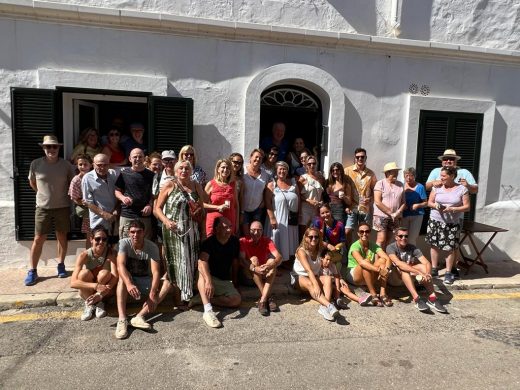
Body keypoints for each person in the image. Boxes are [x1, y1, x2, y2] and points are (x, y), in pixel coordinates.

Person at [24, 135, 74, 286]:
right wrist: (44, 195)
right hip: (42, 208)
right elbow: (32, 183)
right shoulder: (36, 164)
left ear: (59, 148)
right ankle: (32, 270)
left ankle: (61, 265)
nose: (51, 149)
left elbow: (72, 184)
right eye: (48, 147)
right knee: (38, 239)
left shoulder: (66, 165)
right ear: (43, 148)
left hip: (62, 207)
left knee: (61, 237)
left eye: (54, 146)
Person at [154, 159, 205, 306]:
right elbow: (157, 208)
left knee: (190, 263)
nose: (184, 171)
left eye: (187, 168)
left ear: (191, 171)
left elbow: (202, 207)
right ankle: (178, 298)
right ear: (176, 171)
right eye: (181, 168)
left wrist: (202, 229)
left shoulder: (196, 186)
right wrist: (166, 221)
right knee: (176, 263)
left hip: (192, 230)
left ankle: (186, 295)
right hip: (174, 231)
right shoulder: (170, 185)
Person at [114, 220, 171, 339]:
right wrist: (129, 284)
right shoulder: (123, 243)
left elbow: (156, 272)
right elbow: (120, 265)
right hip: (131, 281)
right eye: (132, 232)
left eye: (138, 232)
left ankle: (139, 316)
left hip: (146, 281)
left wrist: (153, 292)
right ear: (128, 233)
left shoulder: (152, 247)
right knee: (122, 278)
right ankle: (122, 319)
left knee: (167, 283)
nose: (135, 235)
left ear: (144, 232)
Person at [193, 217, 242, 328]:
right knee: (201, 268)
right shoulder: (209, 242)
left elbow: (235, 262)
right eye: (225, 227)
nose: (229, 230)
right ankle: (208, 310)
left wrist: (235, 282)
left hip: (223, 280)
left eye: (230, 227)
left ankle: (203, 299)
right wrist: (209, 281)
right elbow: (202, 261)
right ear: (217, 229)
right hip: (208, 278)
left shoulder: (234, 241)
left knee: (236, 300)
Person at [426, 166, 470, 284]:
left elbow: (467, 207)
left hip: (452, 223)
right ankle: (434, 269)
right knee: (434, 245)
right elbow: (429, 202)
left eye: (444, 176)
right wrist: (436, 206)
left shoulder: (462, 189)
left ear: (452, 176)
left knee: (450, 248)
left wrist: (453, 209)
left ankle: (448, 272)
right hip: (435, 220)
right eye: (441, 176)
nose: (441, 178)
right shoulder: (437, 187)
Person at [386, 227, 447, 313]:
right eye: (401, 236)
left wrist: (427, 274)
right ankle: (417, 299)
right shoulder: (391, 247)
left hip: (409, 276)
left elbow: (427, 263)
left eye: (406, 236)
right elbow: (399, 264)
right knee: (403, 269)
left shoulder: (412, 247)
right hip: (395, 278)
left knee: (423, 267)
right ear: (396, 237)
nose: (404, 238)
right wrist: (418, 272)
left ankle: (433, 298)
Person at [290, 227, 339, 321]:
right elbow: (308, 270)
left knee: (328, 278)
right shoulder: (301, 251)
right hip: (299, 277)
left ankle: (324, 307)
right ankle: (329, 305)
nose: (313, 239)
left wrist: (329, 245)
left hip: (313, 277)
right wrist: (316, 285)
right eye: (310, 237)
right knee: (310, 284)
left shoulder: (319, 248)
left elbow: (330, 249)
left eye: (316, 237)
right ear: (305, 238)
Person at [70, 226, 119, 321]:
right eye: (97, 239)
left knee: (104, 273)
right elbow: (73, 283)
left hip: (104, 290)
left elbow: (115, 275)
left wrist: (102, 292)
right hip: (91, 289)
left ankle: (99, 302)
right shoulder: (84, 255)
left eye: (104, 239)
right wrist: (95, 286)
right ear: (91, 239)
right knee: (83, 274)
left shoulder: (111, 253)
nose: (101, 242)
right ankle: (90, 304)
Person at [345, 222, 393, 307]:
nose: (364, 234)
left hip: (368, 273)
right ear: (358, 233)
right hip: (354, 275)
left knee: (382, 261)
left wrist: (387, 270)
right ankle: (373, 293)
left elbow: (387, 258)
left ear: (370, 233)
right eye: (361, 232)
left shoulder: (373, 245)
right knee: (365, 262)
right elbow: (361, 262)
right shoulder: (355, 246)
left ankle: (382, 293)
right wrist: (379, 270)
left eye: (367, 231)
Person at [239, 221, 282, 315]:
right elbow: (241, 260)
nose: (256, 233)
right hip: (249, 276)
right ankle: (268, 297)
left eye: (259, 230)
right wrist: (255, 268)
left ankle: (263, 300)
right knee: (254, 259)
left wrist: (270, 265)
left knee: (272, 262)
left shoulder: (267, 240)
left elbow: (279, 257)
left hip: (262, 273)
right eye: (253, 230)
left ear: (262, 231)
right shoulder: (243, 241)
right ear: (249, 230)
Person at [264, 161, 300, 265]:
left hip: (291, 218)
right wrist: (272, 218)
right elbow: (267, 202)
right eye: (280, 169)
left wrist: (298, 215)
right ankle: (275, 264)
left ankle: (286, 262)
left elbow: (299, 200)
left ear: (287, 171)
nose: (282, 171)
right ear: (276, 170)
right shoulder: (272, 184)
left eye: (284, 169)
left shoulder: (293, 184)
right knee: (277, 239)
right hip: (277, 217)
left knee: (289, 240)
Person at [115, 148, 155, 239]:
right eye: (135, 157)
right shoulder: (123, 173)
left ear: (144, 158)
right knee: (126, 244)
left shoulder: (151, 175)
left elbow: (155, 195)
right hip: (127, 215)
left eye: (140, 156)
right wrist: (123, 198)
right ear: (130, 159)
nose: (138, 159)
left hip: (144, 216)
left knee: (144, 245)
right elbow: (117, 191)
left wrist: (150, 205)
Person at [81, 153, 120, 244]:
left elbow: (119, 193)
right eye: (99, 165)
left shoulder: (114, 174)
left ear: (109, 164)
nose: (102, 168)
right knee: (99, 247)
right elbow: (88, 202)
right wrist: (104, 214)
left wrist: (117, 209)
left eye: (105, 165)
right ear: (93, 164)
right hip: (99, 220)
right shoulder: (87, 178)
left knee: (113, 247)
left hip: (115, 219)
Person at [344, 148, 377, 237]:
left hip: (365, 207)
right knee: (347, 231)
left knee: (364, 232)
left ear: (366, 158)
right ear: (354, 158)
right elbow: (341, 188)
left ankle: (361, 250)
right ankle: (349, 250)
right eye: (357, 157)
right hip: (351, 206)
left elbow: (375, 190)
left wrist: (370, 199)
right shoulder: (347, 171)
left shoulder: (371, 173)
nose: (360, 159)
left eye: (362, 157)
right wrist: (345, 205)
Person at [373, 162, 406, 250]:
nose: (396, 174)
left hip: (395, 216)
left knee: (388, 239)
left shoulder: (400, 184)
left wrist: (398, 213)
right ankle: (377, 260)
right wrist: (391, 213)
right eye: (393, 172)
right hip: (381, 215)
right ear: (387, 173)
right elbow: (377, 202)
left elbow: (403, 202)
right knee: (381, 239)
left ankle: (384, 259)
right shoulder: (380, 184)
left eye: (396, 172)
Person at [204, 159, 238, 236]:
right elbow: (202, 204)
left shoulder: (233, 184)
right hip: (214, 222)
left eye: (228, 168)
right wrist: (218, 207)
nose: (225, 170)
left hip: (229, 221)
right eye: (223, 167)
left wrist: (237, 223)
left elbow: (236, 205)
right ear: (218, 169)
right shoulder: (211, 184)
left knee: (227, 245)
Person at [241, 148, 270, 236]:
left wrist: (264, 202)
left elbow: (267, 191)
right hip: (243, 208)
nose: (258, 159)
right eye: (256, 157)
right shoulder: (243, 171)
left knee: (255, 234)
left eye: (260, 158)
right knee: (245, 234)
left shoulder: (265, 175)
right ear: (251, 157)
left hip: (257, 209)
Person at [69, 154, 93, 248]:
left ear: (91, 165)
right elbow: (74, 198)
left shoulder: (96, 177)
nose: (83, 167)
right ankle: (90, 259)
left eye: (85, 164)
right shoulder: (76, 180)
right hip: (87, 212)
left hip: (101, 209)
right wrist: (84, 202)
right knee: (90, 236)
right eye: (80, 164)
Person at [298, 155, 324, 239]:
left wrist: (321, 202)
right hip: (305, 208)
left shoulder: (321, 178)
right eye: (309, 164)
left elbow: (322, 194)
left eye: (314, 163)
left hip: (317, 209)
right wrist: (309, 201)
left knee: (315, 233)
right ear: (306, 165)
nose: (312, 165)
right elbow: (298, 195)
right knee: (304, 234)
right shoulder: (303, 178)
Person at [402, 167, 427, 245]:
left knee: (412, 239)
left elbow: (426, 203)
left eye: (411, 175)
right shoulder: (401, 186)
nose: (409, 178)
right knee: (402, 237)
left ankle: (411, 256)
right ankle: (402, 256)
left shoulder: (420, 187)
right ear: (404, 176)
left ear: (415, 176)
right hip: (404, 215)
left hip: (416, 215)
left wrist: (418, 205)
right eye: (406, 175)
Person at [229, 152, 245, 230]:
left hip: (235, 211)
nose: (237, 164)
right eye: (235, 162)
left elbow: (241, 198)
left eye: (240, 163)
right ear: (230, 161)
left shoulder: (240, 180)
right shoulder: (223, 177)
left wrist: (241, 213)